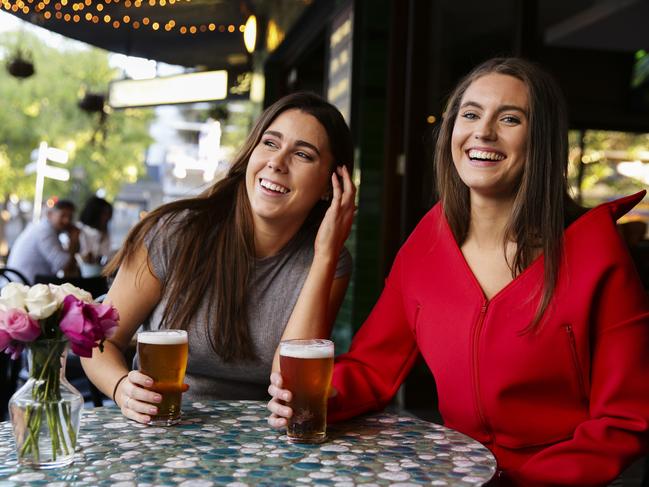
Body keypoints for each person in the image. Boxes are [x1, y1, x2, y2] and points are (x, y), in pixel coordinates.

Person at [268, 58, 649, 486]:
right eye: (470, 114)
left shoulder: (598, 253)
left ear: (541, 139)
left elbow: (624, 420)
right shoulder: (427, 243)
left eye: (509, 118)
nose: (483, 132)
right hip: (458, 473)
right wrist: (327, 395)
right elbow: (374, 367)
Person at [81, 92, 356, 425]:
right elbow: (98, 339)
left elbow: (290, 386)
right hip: (164, 427)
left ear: (332, 185)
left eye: (302, 154)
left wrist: (324, 255)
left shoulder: (330, 261)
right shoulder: (172, 234)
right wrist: (121, 386)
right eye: (270, 143)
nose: (277, 162)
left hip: (260, 442)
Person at [7, 199, 80, 284]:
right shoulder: (44, 231)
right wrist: (73, 241)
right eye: (63, 215)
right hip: (22, 287)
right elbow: (65, 266)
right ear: (50, 214)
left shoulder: (44, 228)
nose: (67, 221)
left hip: (25, 284)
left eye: (70, 217)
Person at [77, 196, 113, 268]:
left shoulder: (103, 233)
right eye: (104, 213)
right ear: (94, 213)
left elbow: (106, 256)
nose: (107, 218)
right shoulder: (78, 231)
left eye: (109, 214)